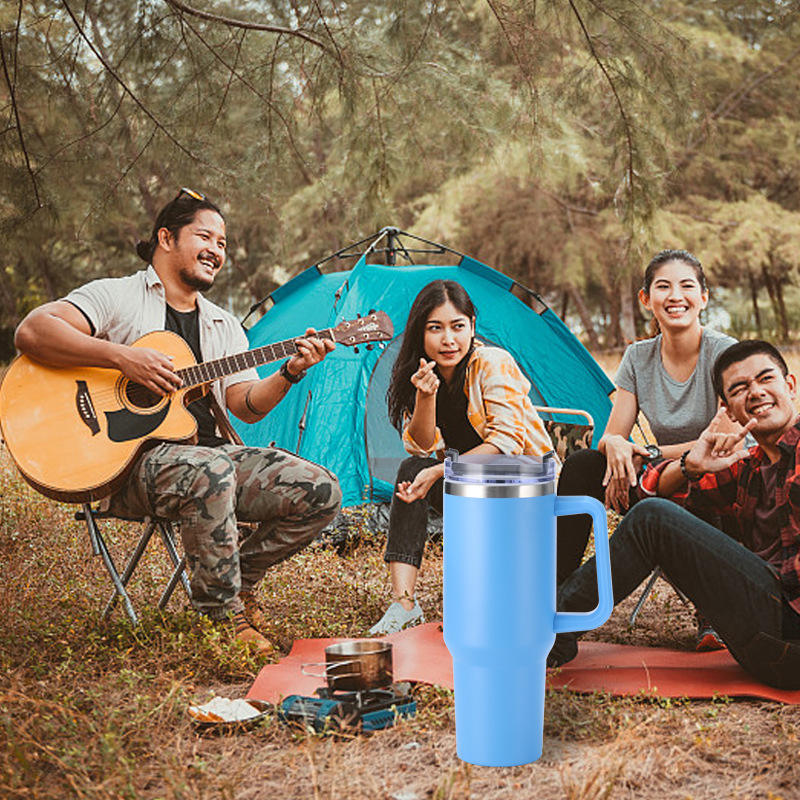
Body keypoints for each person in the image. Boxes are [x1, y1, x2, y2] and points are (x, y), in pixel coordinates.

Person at [13, 188, 342, 655]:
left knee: (321, 490)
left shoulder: (224, 325)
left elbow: (246, 405)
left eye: (223, 243)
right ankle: (222, 623)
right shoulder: (117, 295)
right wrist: (122, 358)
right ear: (165, 238)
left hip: (211, 459)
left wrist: (289, 372)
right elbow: (32, 332)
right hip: (127, 465)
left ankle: (237, 580)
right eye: (205, 236)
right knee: (212, 471)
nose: (216, 250)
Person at [549, 340, 800, 690]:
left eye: (765, 379)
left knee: (654, 517)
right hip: (765, 639)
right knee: (649, 512)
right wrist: (689, 465)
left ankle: (547, 629)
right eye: (740, 389)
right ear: (728, 409)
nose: (755, 392)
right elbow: (640, 492)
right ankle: (550, 619)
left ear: (789, 386)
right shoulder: (748, 468)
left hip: (790, 637)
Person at [556, 249, 737, 650]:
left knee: (711, 469)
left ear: (704, 298)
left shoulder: (723, 353)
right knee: (584, 464)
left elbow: (723, 438)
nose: (676, 296)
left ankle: (715, 610)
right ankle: (554, 591)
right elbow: (611, 435)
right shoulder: (639, 357)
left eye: (687, 286)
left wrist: (651, 452)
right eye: (664, 287)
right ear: (645, 298)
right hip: (659, 481)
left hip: (714, 476)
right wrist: (618, 443)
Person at [368, 279, 555, 635]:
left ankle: (495, 590)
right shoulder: (425, 373)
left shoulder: (490, 362)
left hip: (524, 486)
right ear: (420, 334)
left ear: (473, 326)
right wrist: (424, 396)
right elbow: (421, 447)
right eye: (435, 328)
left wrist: (442, 470)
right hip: (472, 486)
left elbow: (507, 442)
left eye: (458, 327)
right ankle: (403, 603)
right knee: (411, 470)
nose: (448, 340)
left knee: (426, 472)